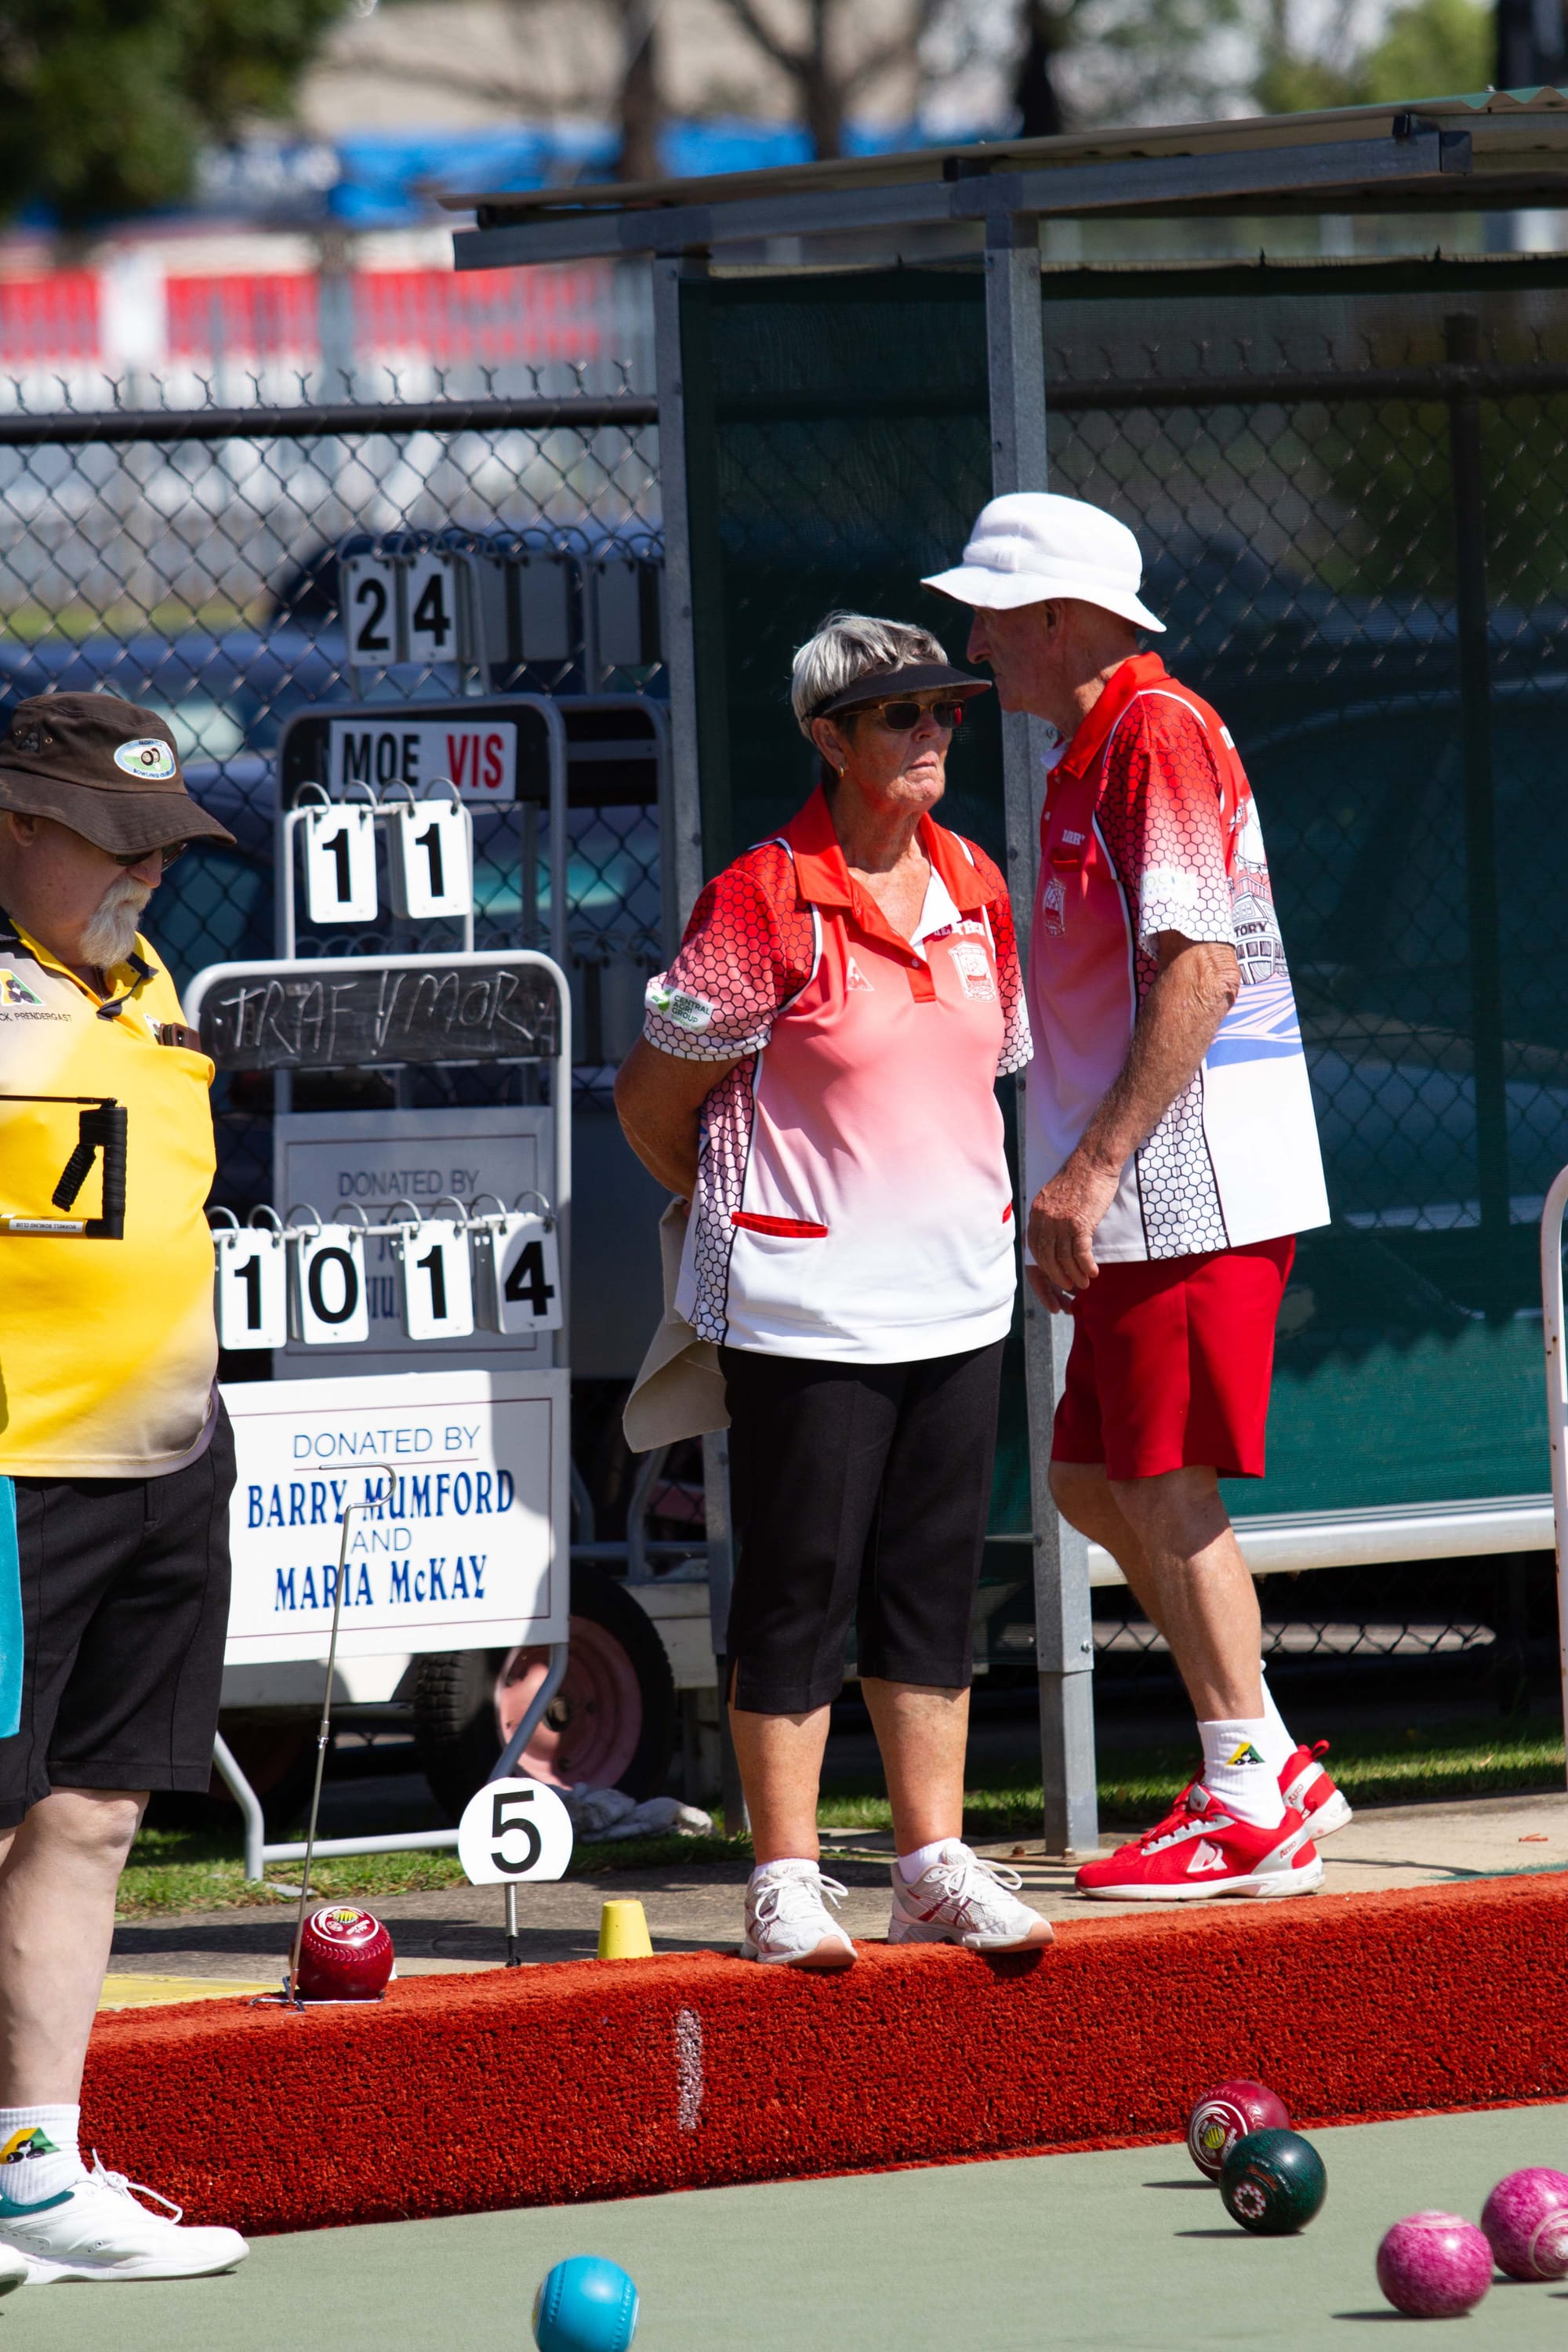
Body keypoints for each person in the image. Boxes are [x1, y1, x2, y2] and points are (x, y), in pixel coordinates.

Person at [615, 614, 1053, 1968]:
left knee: (933, 1587)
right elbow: (652, 1099)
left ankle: (932, 1863)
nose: (933, 736)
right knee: (799, 1587)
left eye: (945, 714)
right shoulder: (761, 897)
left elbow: (996, 1065)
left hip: (964, 1299)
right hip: (807, 1307)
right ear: (831, 739)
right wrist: (758, 1216)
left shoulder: (978, 879)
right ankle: (785, 1876)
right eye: (900, 717)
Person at [925, 495, 1345, 1902]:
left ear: (1060, 619)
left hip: (1192, 1178)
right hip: (1146, 1185)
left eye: (992, 614)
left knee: (1161, 1481)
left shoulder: (1154, 735)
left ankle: (1248, 1793)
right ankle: (1270, 1761)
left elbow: (1201, 968)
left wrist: (1092, 1170)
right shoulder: (1092, 750)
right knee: (1088, 1478)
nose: (975, 643)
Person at [0, 695, 248, 2283]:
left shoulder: (140, 980)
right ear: (15, 828)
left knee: (94, 1816)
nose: (150, 876)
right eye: (119, 842)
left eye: (168, 848)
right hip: (15, 1480)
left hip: (165, 1466)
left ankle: (34, 2176)